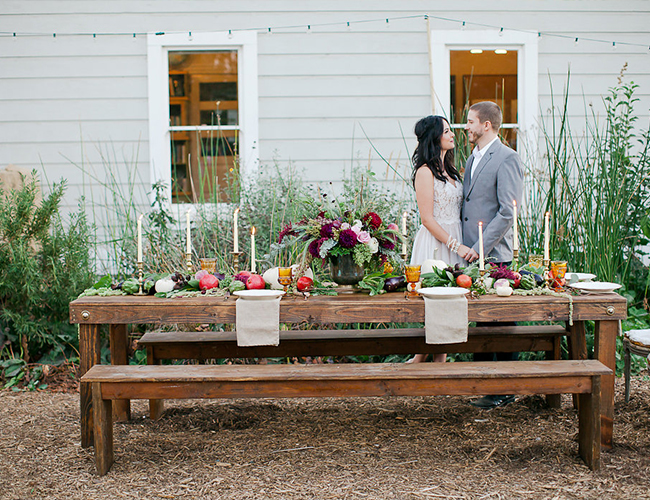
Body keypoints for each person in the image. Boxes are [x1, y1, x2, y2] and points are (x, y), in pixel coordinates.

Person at [461, 101, 524, 408]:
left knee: (501, 324)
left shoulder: (507, 158)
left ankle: (505, 388)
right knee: (481, 322)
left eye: (470, 122)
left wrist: (479, 247)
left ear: (486, 125)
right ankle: (484, 383)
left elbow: (507, 212)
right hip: (472, 255)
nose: (467, 127)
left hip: (494, 254)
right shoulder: (472, 157)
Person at [408, 115, 472, 364]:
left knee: (451, 303)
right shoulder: (425, 173)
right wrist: (456, 245)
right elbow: (427, 218)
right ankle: (422, 358)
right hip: (436, 242)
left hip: (456, 239)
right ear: (435, 138)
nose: (452, 134)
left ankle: (438, 361)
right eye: (446, 131)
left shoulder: (453, 172)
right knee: (434, 301)